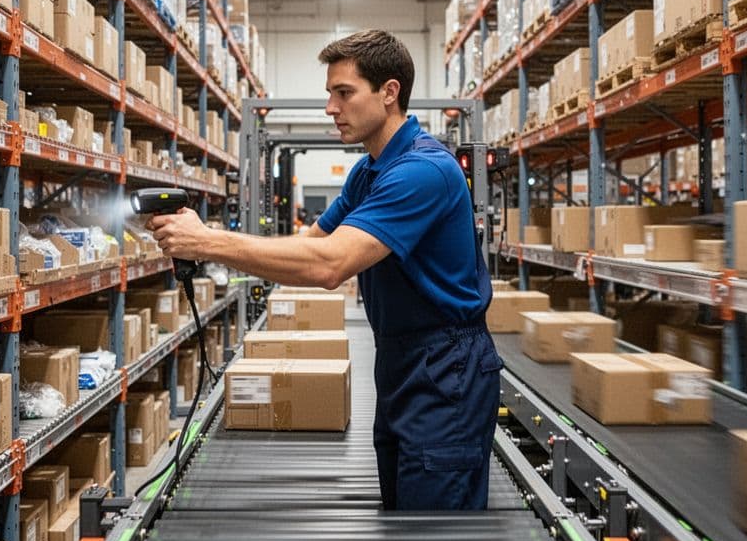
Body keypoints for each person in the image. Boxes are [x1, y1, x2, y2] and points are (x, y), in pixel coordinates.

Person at [146, 29, 501, 510]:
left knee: (436, 528)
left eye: (344, 93)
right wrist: (212, 242)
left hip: (446, 366)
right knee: (405, 511)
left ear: (389, 92)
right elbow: (312, 243)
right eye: (329, 95)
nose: (331, 108)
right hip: (401, 360)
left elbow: (332, 265)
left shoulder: (424, 171)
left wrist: (208, 242)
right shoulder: (369, 172)